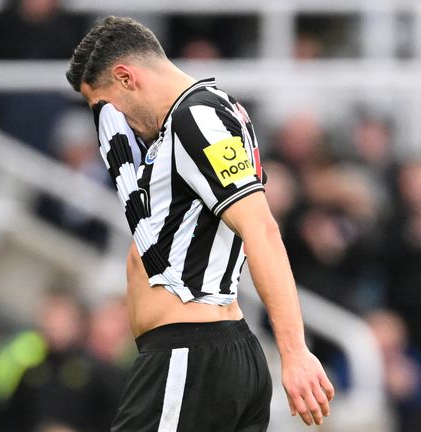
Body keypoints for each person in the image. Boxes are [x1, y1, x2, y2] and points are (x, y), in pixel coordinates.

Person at [66, 16, 334, 431]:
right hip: (209, 355)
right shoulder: (198, 117)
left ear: (124, 77)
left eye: (102, 106)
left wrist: (294, 351)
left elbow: (261, 229)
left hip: (190, 355)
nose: (109, 123)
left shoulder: (198, 118)